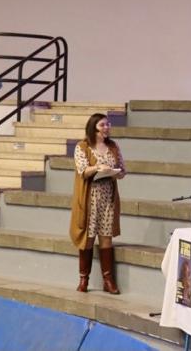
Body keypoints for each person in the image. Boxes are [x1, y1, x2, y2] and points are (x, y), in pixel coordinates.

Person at [70, 113, 126, 295]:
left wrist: (116, 172)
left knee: (106, 236)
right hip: (90, 197)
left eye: (108, 124)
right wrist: (97, 167)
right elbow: (82, 170)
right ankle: (83, 279)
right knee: (88, 237)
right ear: (93, 127)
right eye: (102, 125)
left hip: (107, 196)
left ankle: (108, 280)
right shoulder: (83, 146)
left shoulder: (113, 146)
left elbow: (122, 170)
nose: (106, 128)